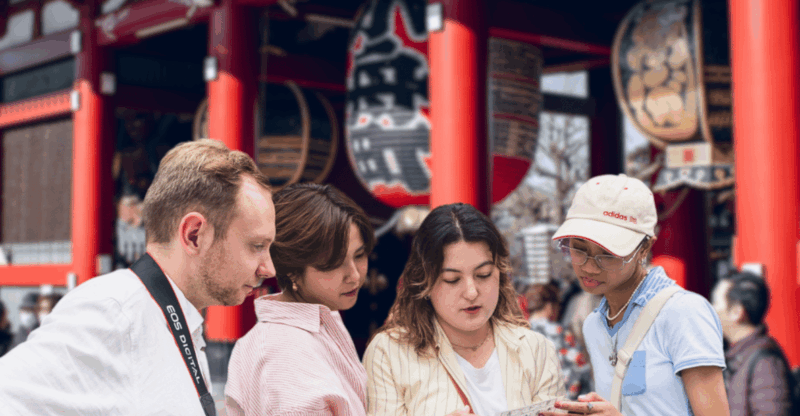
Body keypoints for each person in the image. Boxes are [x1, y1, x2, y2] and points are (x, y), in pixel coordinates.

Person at [0, 139, 276, 415]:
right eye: (257, 246)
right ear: (194, 235)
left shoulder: (173, 321)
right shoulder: (116, 315)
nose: (268, 268)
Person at [541, 174, 729, 416]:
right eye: (578, 248)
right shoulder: (594, 325)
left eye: (607, 253)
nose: (589, 266)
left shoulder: (682, 313)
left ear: (645, 247)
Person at [364, 203, 565, 416]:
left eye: (484, 274)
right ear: (424, 282)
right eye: (452, 280)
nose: (471, 292)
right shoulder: (389, 354)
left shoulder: (536, 350)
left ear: (500, 273)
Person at [225, 183, 375, 416]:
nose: (354, 275)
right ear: (293, 270)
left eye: (359, 255)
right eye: (334, 264)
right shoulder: (284, 351)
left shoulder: (323, 319)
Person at [712, 272, 794, 416]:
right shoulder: (739, 355)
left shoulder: (766, 363)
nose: (711, 309)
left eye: (716, 303)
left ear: (737, 312)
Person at [526, 281, 592, 400]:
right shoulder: (560, 333)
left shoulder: (517, 334)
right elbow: (581, 369)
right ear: (549, 306)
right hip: (560, 406)